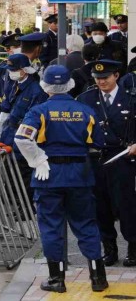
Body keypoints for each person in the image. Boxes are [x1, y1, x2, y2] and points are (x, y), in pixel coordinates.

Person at [14, 65, 108, 294]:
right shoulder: (86, 111)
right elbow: (98, 143)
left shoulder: (39, 111)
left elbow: (21, 138)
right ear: (70, 85)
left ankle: (56, 279)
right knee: (86, 225)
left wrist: (38, 159)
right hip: (80, 175)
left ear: (44, 85)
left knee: (51, 226)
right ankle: (98, 277)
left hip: (48, 175)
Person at [76, 59, 136, 267]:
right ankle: (109, 248)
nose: (101, 82)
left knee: (126, 205)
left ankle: (133, 247)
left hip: (123, 158)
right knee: (101, 206)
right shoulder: (86, 99)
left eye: (105, 77)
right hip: (97, 159)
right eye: (97, 78)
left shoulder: (130, 98)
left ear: (116, 76)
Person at [0, 53, 48, 201]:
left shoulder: (36, 90)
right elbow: (7, 106)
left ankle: (23, 204)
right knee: (9, 167)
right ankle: (11, 199)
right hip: (10, 132)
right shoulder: (14, 85)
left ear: (24, 70)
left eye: (14, 70)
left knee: (22, 170)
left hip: (23, 135)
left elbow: (35, 119)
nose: (11, 73)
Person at [0, 33, 21, 113]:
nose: (19, 49)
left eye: (21, 47)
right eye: (16, 47)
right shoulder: (2, 68)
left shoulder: (29, 66)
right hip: (8, 108)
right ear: (8, 50)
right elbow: (1, 91)